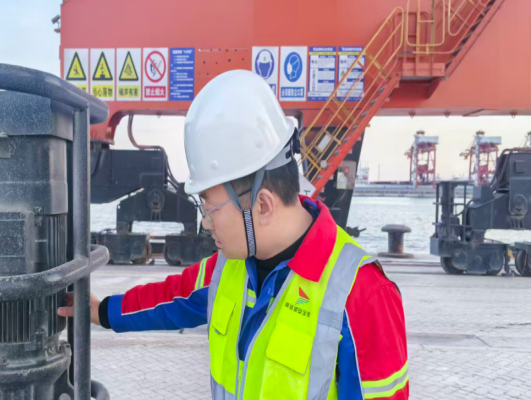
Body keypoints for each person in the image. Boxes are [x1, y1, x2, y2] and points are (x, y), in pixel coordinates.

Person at [59, 70, 409, 400]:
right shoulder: (230, 266)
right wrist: (102, 310)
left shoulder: (363, 296)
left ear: (263, 205)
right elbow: (171, 298)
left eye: (210, 209)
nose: (206, 224)